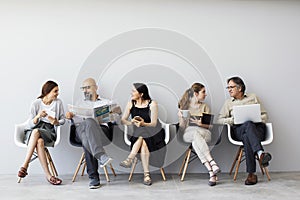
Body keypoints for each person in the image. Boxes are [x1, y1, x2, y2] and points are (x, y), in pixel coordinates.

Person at [66, 78, 121, 189]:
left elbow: (116, 120)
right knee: (88, 125)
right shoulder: (79, 103)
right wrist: (69, 116)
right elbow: (74, 121)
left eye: (88, 87)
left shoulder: (106, 102)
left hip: (102, 131)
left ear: (96, 87)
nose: (85, 90)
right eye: (83, 88)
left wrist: (117, 112)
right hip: (80, 131)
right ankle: (101, 156)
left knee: (88, 136)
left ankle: (93, 177)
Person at [217, 76, 272, 185]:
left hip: (257, 130)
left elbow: (265, 115)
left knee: (248, 134)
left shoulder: (253, 97)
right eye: (228, 87)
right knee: (247, 127)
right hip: (238, 130)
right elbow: (219, 120)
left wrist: (256, 118)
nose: (229, 90)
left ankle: (251, 174)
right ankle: (260, 154)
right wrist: (233, 119)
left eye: (231, 87)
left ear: (240, 88)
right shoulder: (228, 103)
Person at [18, 80, 65, 185]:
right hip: (34, 130)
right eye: (55, 91)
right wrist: (38, 117)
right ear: (47, 92)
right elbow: (29, 124)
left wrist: (56, 122)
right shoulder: (36, 103)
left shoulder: (58, 102)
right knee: (39, 141)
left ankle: (25, 165)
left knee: (36, 132)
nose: (57, 93)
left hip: (49, 131)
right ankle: (49, 176)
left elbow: (63, 120)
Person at [120, 83, 166, 186]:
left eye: (133, 91)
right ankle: (146, 175)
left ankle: (130, 159)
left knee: (142, 132)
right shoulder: (131, 103)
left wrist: (143, 123)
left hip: (154, 132)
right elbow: (123, 120)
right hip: (138, 133)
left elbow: (154, 124)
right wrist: (131, 122)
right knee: (143, 138)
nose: (131, 93)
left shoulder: (152, 104)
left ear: (141, 94)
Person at [178, 83, 221, 186]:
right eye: (203, 92)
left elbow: (210, 126)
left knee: (196, 136)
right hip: (187, 133)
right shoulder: (184, 106)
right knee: (194, 134)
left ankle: (211, 172)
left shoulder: (205, 107)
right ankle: (212, 164)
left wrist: (200, 124)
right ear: (196, 94)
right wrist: (182, 118)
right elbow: (182, 128)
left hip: (204, 133)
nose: (205, 95)